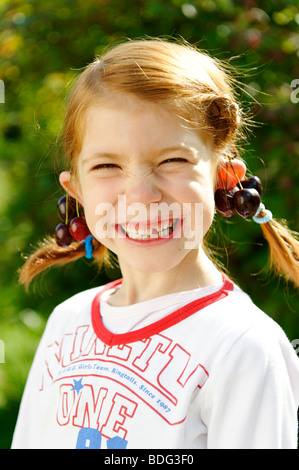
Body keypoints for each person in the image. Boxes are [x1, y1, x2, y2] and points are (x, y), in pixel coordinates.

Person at [12, 38, 299, 449]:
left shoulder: (243, 346)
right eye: (107, 165)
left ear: (224, 177)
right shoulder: (66, 322)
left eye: (172, 161)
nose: (141, 195)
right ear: (76, 190)